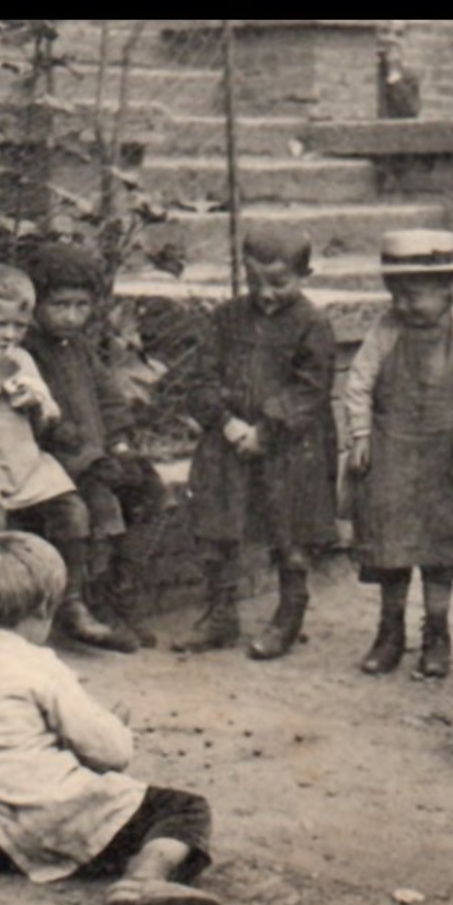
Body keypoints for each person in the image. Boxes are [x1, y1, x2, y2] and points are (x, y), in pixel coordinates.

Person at [0, 531, 223, 905]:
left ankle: (135, 878)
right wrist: (114, 727)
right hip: (44, 825)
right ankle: (143, 881)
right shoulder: (39, 665)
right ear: (46, 608)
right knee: (184, 808)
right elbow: (112, 754)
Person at [172, 228, 339, 659]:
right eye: (254, 283)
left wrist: (265, 431)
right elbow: (202, 377)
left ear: (305, 275)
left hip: (289, 447)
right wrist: (225, 422)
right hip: (228, 441)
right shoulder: (226, 318)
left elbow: (310, 390)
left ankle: (289, 612)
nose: (265, 294)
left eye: (279, 284)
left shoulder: (313, 325)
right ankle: (222, 613)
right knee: (217, 522)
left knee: (289, 530)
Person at [0, 278, 129, 652]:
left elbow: (49, 417)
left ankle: (70, 602)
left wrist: (38, 406)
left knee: (73, 513)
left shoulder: (23, 358)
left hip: (23, 461)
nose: (10, 335)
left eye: (19, 326)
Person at [342, 229, 453, 679]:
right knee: (390, 545)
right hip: (394, 452)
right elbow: (359, 381)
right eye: (395, 295)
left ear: (446, 287)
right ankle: (390, 632)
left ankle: (437, 634)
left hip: (448, 455)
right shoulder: (387, 328)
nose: (403, 305)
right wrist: (361, 435)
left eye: (414, 295)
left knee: (441, 547)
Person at [22, 242, 164, 652]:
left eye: (81, 306)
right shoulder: (30, 352)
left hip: (96, 457)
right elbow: (41, 421)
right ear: (36, 303)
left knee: (150, 492)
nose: (70, 316)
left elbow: (108, 398)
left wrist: (119, 443)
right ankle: (79, 603)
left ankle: (124, 590)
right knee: (94, 511)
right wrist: (84, 452)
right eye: (60, 305)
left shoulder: (81, 348)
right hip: (57, 464)